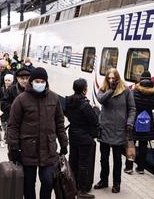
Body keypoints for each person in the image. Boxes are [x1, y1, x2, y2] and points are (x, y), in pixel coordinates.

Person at [7, 67, 68, 199]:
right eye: (37, 81)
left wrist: (64, 143)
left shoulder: (54, 98)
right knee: (28, 184)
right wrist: (14, 148)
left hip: (48, 149)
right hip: (27, 150)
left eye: (42, 81)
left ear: (46, 82)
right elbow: (13, 126)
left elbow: (59, 123)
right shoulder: (21, 100)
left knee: (48, 180)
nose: (39, 83)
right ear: (31, 81)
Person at [94, 68, 136, 193]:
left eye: (113, 78)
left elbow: (132, 108)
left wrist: (129, 122)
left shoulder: (126, 91)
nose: (111, 80)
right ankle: (104, 180)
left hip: (119, 130)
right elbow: (100, 100)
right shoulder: (103, 89)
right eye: (109, 78)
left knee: (117, 160)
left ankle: (117, 183)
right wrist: (111, 90)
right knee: (104, 158)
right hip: (105, 128)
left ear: (118, 78)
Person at [64, 78, 98, 198]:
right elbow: (94, 121)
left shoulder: (69, 101)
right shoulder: (84, 104)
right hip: (84, 137)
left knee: (73, 161)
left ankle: (71, 187)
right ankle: (82, 190)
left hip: (73, 134)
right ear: (84, 90)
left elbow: (67, 114)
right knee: (83, 164)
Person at [124, 71, 154, 174]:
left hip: (135, 119)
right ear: (150, 78)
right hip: (147, 120)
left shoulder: (135, 90)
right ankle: (141, 168)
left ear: (141, 78)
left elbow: (132, 105)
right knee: (143, 144)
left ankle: (129, 167)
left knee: (131, 144)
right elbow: (153, 106)